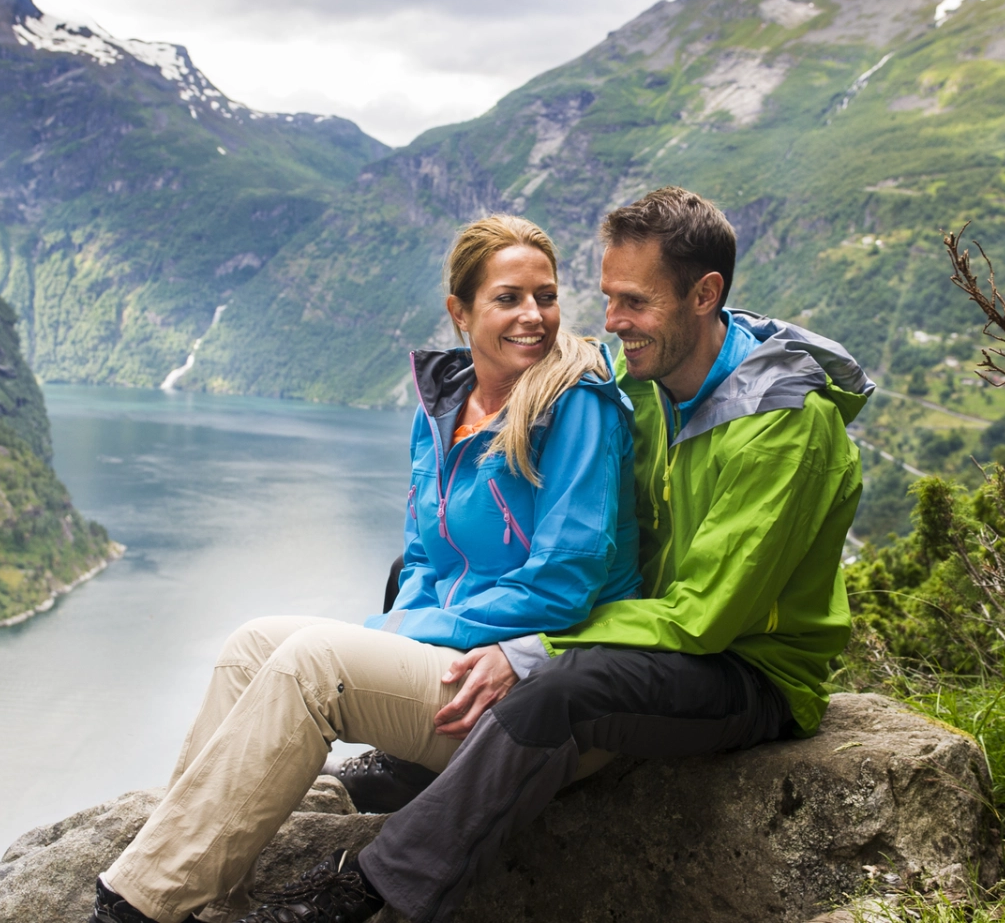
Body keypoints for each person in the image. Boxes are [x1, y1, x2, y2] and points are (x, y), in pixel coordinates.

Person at [244, 186, 873, 923]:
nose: (613, 324)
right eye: (607, 299)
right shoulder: (648, 383)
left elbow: (703, 621)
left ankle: (371, 887)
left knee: (560, 688)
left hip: (744, 669)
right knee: (418, 581)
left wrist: (538, 645)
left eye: (634, 303)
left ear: (704, 295)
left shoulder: (782, 425)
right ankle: (418, 761)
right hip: (643, 622)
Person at [89, 215, 640, 923]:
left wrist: (413, 637)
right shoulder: (445, 408)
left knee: (316, 663)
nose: (533, 316)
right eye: (508, 298)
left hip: (536, 695)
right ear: (460, 311)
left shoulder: (577, 403)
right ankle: (195, 883)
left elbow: (565, 580)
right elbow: (423, 559)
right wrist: (405, 628)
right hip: (460, 658)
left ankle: (134, 908)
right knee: (252, 645)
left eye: (547, 295)